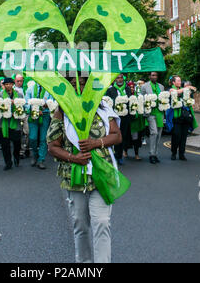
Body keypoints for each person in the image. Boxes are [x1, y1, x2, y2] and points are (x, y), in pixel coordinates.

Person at [47, 75, 122, 263]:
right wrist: (74, 158)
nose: (79, 87)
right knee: (80, 224)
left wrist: (96, 143)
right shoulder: (62, 112)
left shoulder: (103, 107)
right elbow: (53, 147)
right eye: (74, 84)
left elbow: (117, 136)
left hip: (101, 175)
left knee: (102, 222)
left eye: (83, 83)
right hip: (75, 177)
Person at [25, 82, 54, 170]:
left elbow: (53, 101)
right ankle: (35, 154)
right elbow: (26, 103)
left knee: (43, 138)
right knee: (32, 138)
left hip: (45, 115)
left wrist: (47, 105)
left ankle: (41, 159)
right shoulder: (30, 88)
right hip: (33, 116)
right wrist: (33, 109)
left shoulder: (48, 88)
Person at [169, 75, 198, 161]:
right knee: (176, 135)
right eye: (177, 81)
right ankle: (173, 153)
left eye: (180, 80)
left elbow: (194, 90)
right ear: (173, 82)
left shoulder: (183, 89)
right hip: (176, 117)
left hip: (185, 116)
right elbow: (176, 92)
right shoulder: (171, 89)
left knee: (184, 136)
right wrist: (187, 87)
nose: (179, 82)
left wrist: (190, 90)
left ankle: (182, 154)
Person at [106, 74, 132, 165]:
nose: (119, 79)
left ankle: (119, 156)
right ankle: (113, 155)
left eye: (121, 78)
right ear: (115, 80)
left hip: (125, 117)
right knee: (114, 136)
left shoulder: (128, 89)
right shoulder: (110, 90)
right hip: (114, 117)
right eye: (117, 78)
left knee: (122, 136)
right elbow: (107, 102)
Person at [0, 78, 22, 171]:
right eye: (6, 84)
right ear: (4, 85)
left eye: (10, 84)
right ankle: (8, 162)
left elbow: (22, 107)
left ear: (12, 85)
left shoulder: (19, 95)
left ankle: (16, 156)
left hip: (15, 122)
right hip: (3, 123)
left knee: (17, 143)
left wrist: (15, 105)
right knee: (5, 145)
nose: (8, 86)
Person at [141, 72, 165, 164]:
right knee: (154, 132)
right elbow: (141, 99)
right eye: (152, 75)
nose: (154, 77)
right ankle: (151, 154)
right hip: (150, 113)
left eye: (156, 75)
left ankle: (155, 154)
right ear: (149, 76)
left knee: (159, 134)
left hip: (160, 113)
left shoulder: (161, 87)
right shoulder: (144, 86)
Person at [126, 81, 144, 161]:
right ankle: (125, 151)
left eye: (133, 87)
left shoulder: (138, 96)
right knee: (126, 137)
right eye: (130, 87)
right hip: (128, 120)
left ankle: (136, 154)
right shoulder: (125, 96)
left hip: (136, 121)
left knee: (136, 138)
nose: (132, 89)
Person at [14, 74, 30, 159]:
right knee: (19, 133)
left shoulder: (26, 88)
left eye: (21, 81)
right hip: (18, 113)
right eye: (18, 81)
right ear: (15, 81)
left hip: (26, 113)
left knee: (27, 132)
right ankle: (21, 151)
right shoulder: (13, 90)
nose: (19, 82)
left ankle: (26, 147)